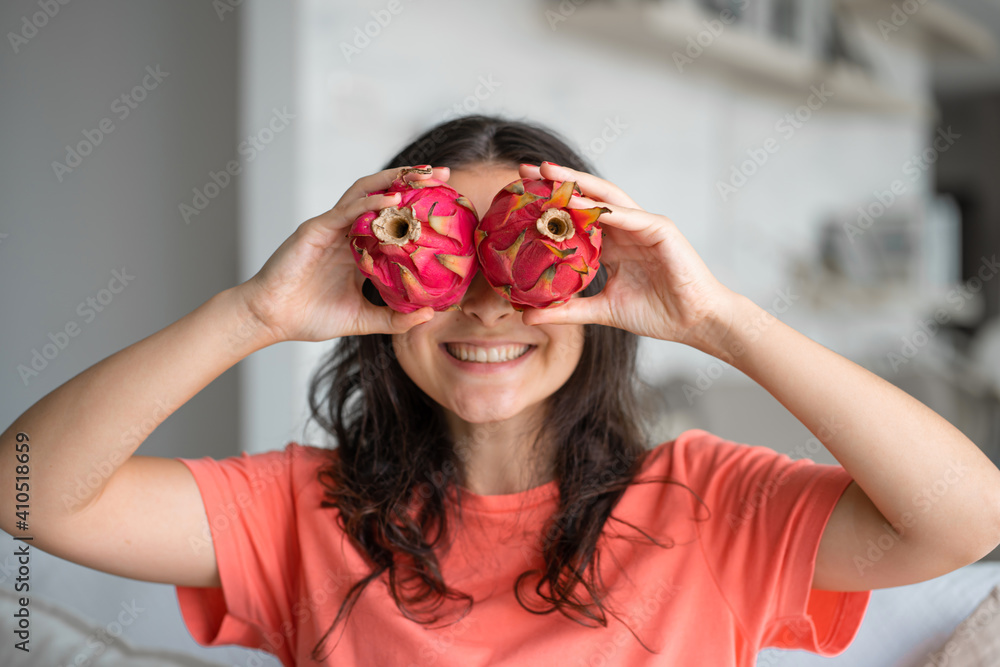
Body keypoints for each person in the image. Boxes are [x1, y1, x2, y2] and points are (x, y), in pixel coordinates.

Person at [2, 115, 999, 667]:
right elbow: (25, 488)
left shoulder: (711, 503)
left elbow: (963, 519)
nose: (486, 306)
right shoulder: (300, 513)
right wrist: (253, 313)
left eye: (524, 262)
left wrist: (715, 320)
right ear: (374, 285)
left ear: (597, 279)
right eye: (449, 259)